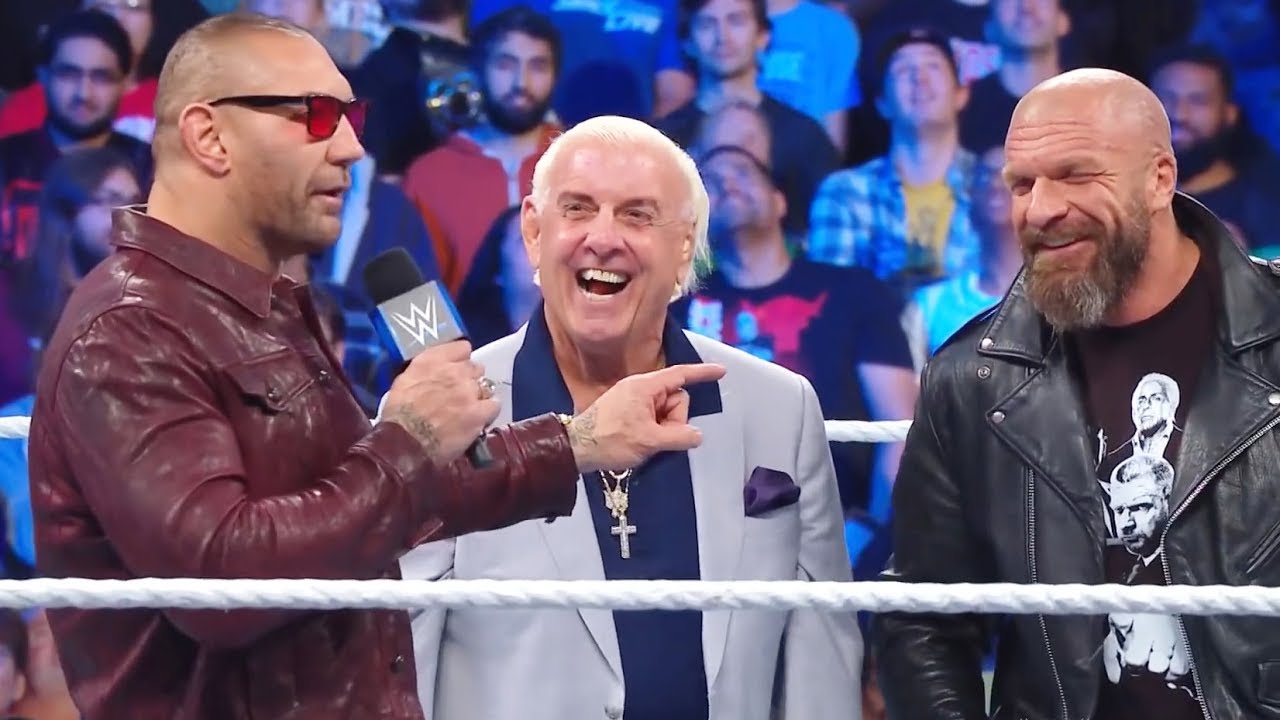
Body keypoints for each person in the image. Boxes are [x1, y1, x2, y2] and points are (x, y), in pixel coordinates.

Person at [27, 13, 724, 720]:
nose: (351, 147)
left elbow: (375, 502)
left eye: (351, 117)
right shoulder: (131, 331)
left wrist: (578, 442)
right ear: (210, 136)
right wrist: (409, 440)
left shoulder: (251, 306)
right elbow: (224, 585)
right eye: (316, 115)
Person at [400, 115, 861, 720]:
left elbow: (821, 664)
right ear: (534, 232)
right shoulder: (447, 409)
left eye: (637, 215)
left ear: (685, 247)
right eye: (578, 209)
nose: (603, 238)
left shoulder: (779, 407)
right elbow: (401, 653)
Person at [876, 67, 1280, 720]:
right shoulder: (974, 377)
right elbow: (924, 620)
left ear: (1160, 179)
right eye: (1021, 184)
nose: (1040, 210)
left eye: (1075, 175)